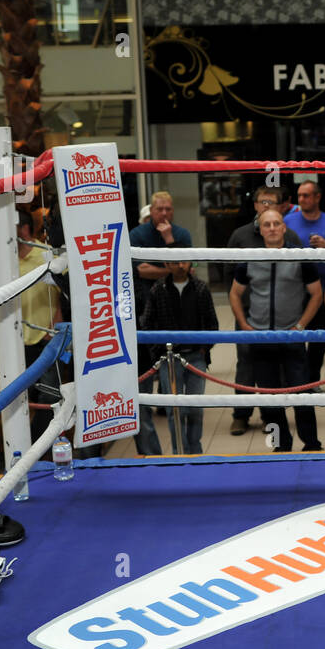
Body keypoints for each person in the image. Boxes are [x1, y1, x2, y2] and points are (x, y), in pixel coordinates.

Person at [230, 208, 323, 452]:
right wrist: (245, 325)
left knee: (301, 392)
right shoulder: (250, 257)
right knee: (270, 397)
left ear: (284, 227)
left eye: (276, 223)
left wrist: (301, 325)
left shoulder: (299, 256)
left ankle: (311, 443)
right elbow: (234, 294)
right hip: (261, 337)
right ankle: (281, 445)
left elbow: (316, 294)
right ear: (260, 230)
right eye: (267, 224)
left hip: (291, 336)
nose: (272, 228)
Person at [225, 186, 300, 436]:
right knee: (245, 363)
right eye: (262, 201)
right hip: (247, 312)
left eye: (272, 202)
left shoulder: (290, 238)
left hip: (281, 316)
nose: (267, 206)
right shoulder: (240, 235)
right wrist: (241, 314)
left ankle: (273, 418)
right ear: (255, 205)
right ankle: (241, 415)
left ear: (281, 207)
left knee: (277, 367)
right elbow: (228, 274)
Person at [129, 191, 193, 455]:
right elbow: (140, 269)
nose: (164, 214)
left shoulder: (182, 234)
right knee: (141, 394)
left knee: (174, 397)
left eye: (168, 209)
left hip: (173, 320)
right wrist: (174, 267)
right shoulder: (137, 234)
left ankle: (183, 453)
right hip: (141, 318)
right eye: (160, 210)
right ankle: (150, 455)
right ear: (151, 210)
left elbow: (188, 269)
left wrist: (170, 242)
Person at [140, 259, 218, 454]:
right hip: (169, 359)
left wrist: (203, 347)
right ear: (167, 264)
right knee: (174, 410)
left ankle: (195, 451)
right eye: (175, 262)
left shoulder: (200, 288)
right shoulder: (158, 289)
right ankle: (179, 452)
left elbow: (212, 323)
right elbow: (147, 323)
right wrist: (159, 351)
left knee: (195, 408)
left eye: (183, 261)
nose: (180, 265)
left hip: (196, 356)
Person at [284, 180, 325, 390]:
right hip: (295, 289)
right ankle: (298, 381)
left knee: (319, 337)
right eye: (299, 195)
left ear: (318, 197)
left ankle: (313, 381)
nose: (301, 200)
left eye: (306, 195)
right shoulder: (287, 221)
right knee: (297, 334)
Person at [16, 212, 62, 442]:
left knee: (47, 397)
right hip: (16, 342)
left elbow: (62, 294)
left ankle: (37, 448)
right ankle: (25, 448)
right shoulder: (5, 258)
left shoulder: (46, 255)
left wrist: (52, 330)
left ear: (23, 229)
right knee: (20, 399)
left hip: (45, 339)